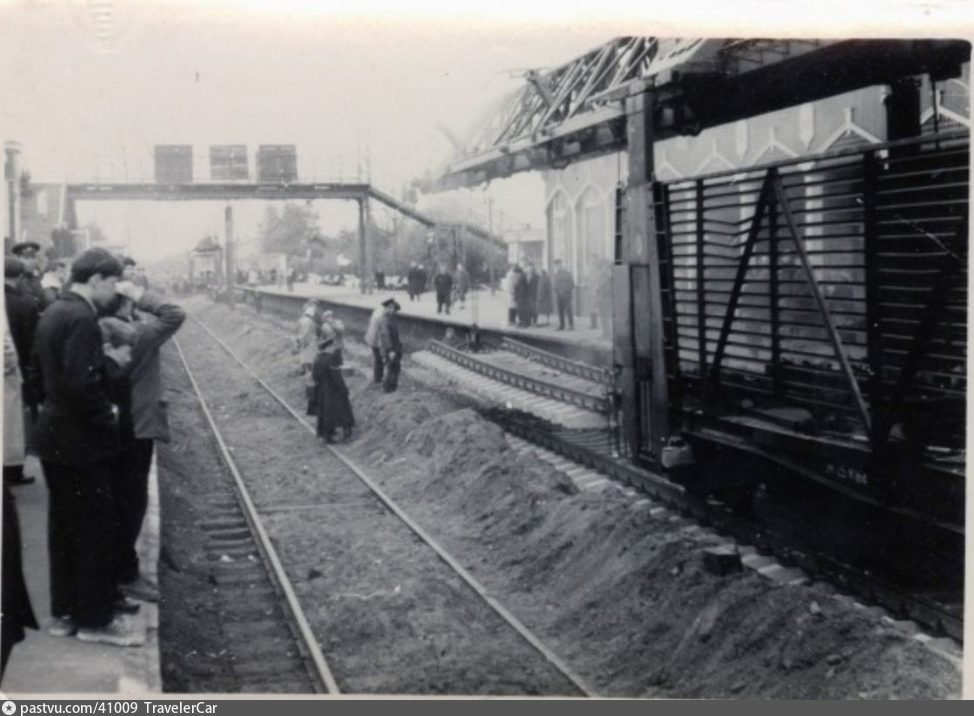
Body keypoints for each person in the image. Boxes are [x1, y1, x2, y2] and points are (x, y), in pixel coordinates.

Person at [27, 248, 143, 647]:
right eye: (112, 283)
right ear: (96, 279)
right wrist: (108, 417)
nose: (114, 291)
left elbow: (37, 374)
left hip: (54, 437)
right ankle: (95, 621)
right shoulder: (82, 318)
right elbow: (82, 383)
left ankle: (66, 614)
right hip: (81, 442)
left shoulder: (55, 311)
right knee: (95, 528)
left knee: (63, 528)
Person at [101, 280, 186, 602]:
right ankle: (126, 573)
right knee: (133, 500)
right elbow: (174, 314)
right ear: (124, 304)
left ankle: (121, 568)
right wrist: (141, 294)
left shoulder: (101, 328)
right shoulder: (137, 335)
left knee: (120, 498)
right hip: (138, 423)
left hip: (115, 421)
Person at [4, 258, 39, 486]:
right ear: (20, 277)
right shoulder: (25, 303)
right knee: (14, 423)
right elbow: (32, 344)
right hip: (15, 369)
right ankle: (14, 471)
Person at [308, 336, 355, 444]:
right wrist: (344, 389)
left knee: (324, 413)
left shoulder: (317, 358)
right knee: (342, 410)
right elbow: (337, 377)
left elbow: (314, 376)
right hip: (333, 391)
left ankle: (326, 434)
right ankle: (341, 434)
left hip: (321, 391)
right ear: (328, 347)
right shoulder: (331, 359)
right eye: (332, 346)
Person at [378, 299, 403, 393]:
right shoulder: (385, 320)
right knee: (389, 369)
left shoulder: (391, 319)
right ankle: (387, 389)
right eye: (390, 308)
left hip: (394, 349)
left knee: (395, 368)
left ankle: (392, 388)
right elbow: (386, 336)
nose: (392, 310)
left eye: (394, 308)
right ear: (386, 309)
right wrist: (390, 350)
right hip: (389, 350)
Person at [364, 300, 389, 384]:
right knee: (379, 360)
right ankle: (378, 379)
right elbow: (383, 332)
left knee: (378, 359)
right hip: (377, 341)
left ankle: (378, 377)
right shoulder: (383, 316)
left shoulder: (377, 311)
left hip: (371, 339)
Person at [293, 300, 321, 376]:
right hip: (309, 341)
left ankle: (306, 370)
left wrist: (299, 340)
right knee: (309, 356)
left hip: (305, 340)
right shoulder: (309, 321)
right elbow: (306, 333)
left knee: (305, 356)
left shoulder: (303, 319)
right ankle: (309, 371)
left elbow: (297, 329)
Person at [553, 258, 575, 331]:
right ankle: (562, 325)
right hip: (559, 296)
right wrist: (555, 291)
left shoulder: (567, 273)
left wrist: (565, 290)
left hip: (566, 295)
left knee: (569, 310)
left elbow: (572, 284)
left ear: (561, 265)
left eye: (558, 265)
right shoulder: (556, 274)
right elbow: (555, 284)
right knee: (560, 311)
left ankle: (571, 325)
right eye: (556, 265)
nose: (557, 267)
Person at [524, 261, 539, 326]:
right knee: (528, 309)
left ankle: (535, 321)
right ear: (527, 268)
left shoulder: (537, 276)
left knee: (534, 309)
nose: (530, 269)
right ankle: (528, 321)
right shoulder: (525, 276)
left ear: (533, 268)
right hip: (527, 295)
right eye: (529, 267)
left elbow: (538, 286)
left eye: (531, 268)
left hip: (534, 294)